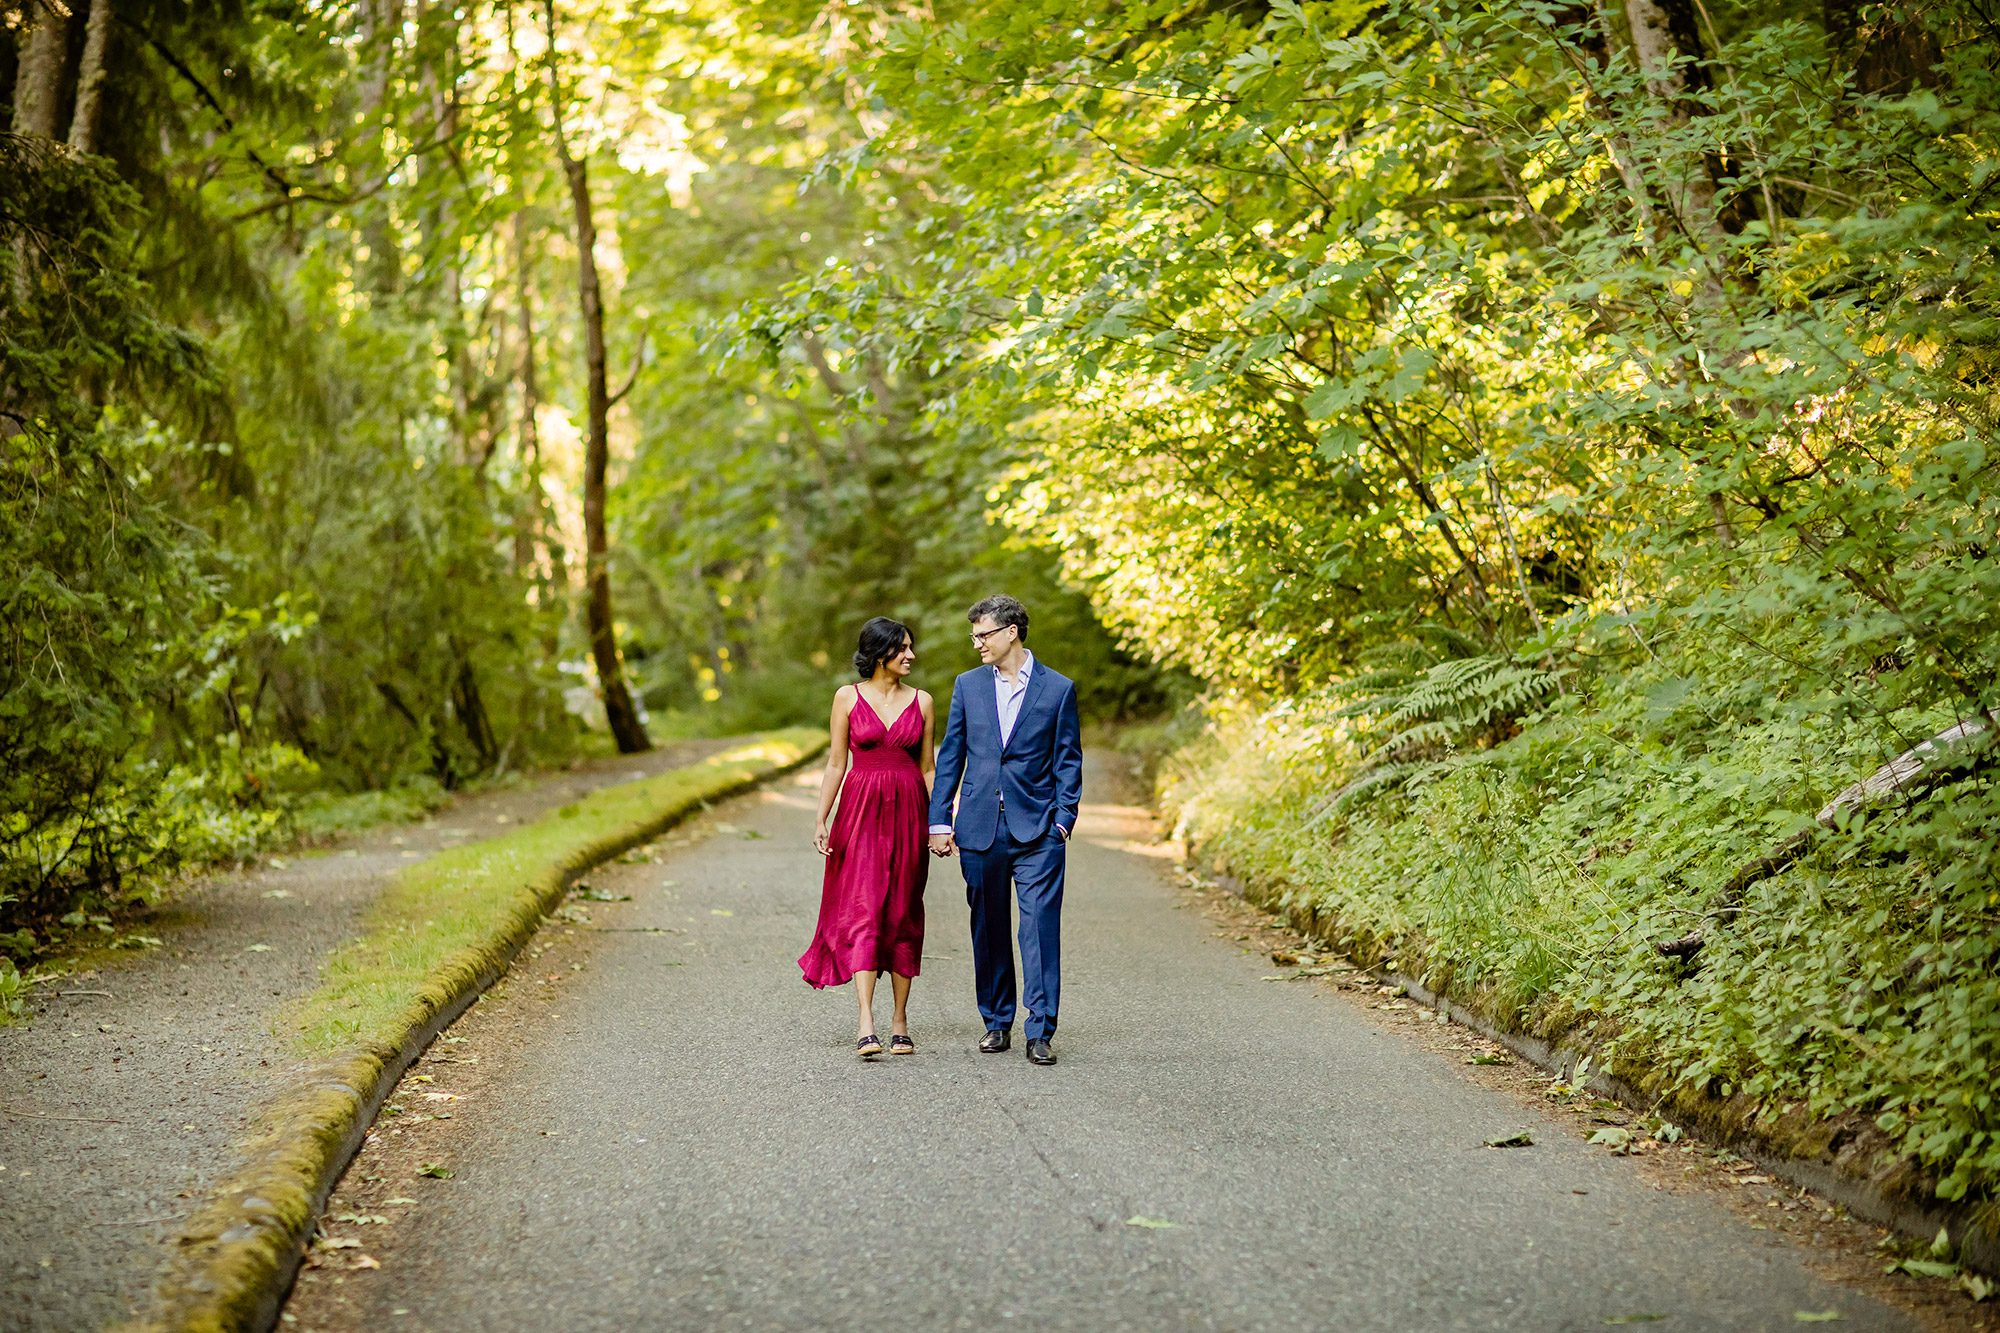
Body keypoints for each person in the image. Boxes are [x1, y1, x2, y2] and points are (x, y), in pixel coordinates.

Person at [927, 594, 1083, 1066]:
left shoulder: (1058, 689)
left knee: (1038, 929)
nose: (976, 643)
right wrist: (939, 820)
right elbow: (951, 755)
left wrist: (1062, 821)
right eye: (974, 635)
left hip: (1038, 830)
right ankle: (997, 1022)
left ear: (1011, 631)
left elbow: (1068, 760)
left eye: (983, 634)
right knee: (989, 927)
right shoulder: (968, 686)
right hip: (979, 827)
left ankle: (1040, 1030)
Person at [800, 617, 936, 1058]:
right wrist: (821, 818)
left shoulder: (924, 702)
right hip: (859, 813)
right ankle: (865, 1020)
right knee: (863, 907)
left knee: (901, 910)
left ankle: (900, 1020)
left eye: (911, 648)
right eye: (903, 649)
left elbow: (928, 768)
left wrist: (941, 824)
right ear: (880, 654)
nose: (911, 656)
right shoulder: (846, 697)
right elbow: (836, 763)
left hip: (910, 812)